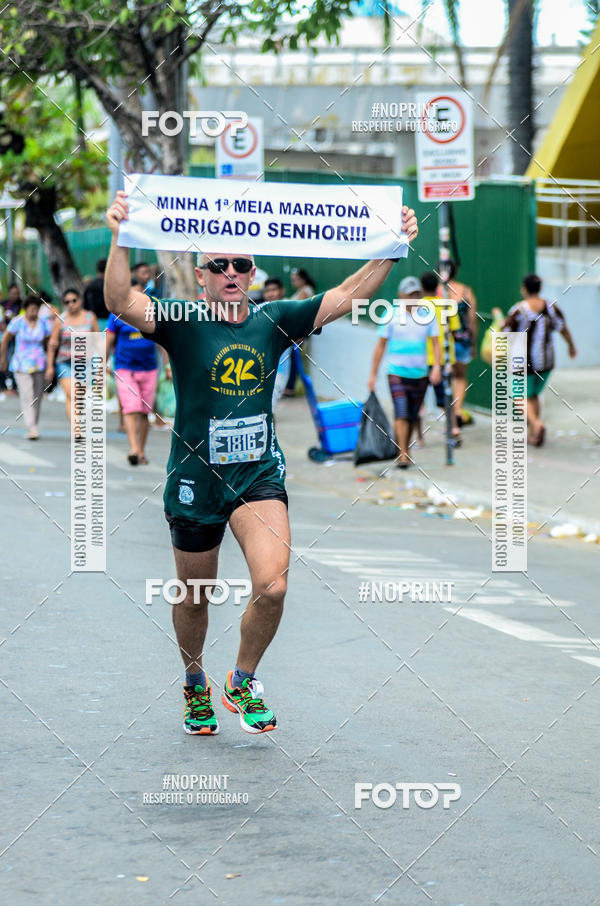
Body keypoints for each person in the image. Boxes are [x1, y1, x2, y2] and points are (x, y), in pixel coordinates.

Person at [104, 189, 418, 736]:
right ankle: (195, 682)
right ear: (200, 276)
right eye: (218, 265)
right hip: (196, 481)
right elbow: (120, 302)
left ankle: (243, 680)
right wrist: (120, 236)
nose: (230, 272)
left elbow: (345, 295)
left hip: (257, 477)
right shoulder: (181, 319)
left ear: (251, 273)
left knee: (272, 587)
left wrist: (391, 249)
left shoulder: (274, 320)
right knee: (196, 597)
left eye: (241, 264)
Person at [368, 276, 441, 468]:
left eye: (417, 294)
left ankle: (405, 448)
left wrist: (437, 368)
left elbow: (436, 343)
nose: (413, 299)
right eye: (410, 295)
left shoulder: (428, 315)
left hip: (420, 374)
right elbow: (380, 346)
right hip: (396, 372)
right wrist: (373, 374)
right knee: (401, 411)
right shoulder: (390, 315)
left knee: (412, 414)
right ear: (401, 296)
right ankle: (402, 453)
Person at [502, 274, 576, 446]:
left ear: (524, 289)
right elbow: (563, 328)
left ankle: (536, 423)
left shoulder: (517, 310)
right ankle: (533, 434)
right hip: (546, 361)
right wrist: (571, 346)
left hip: (523, 361)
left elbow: (505, 333)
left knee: (518, 394)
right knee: (534, 395)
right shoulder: (551, 307)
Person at [106, 292, 161, 466]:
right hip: (125, 368)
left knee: (145, 411)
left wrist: (168, 366)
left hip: (149, 369)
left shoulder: (153, 312)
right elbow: (108, 340)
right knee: (131, 407)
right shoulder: (117, 315)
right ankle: (134, 449)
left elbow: (163, 342)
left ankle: (141, 451)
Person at [45, 288, 99, 433]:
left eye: (74, 300)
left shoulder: (90, 317)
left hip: (85, 363)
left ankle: (77, 423)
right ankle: (77, 430)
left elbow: (97, 340)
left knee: (78, 397)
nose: (71, 304)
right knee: (73, 394)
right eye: (67, 302)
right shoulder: (60, 320)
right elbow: (52, 344)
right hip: (65, 362)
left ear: (80, 301)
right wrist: (50, 366)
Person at [0, 294, 52, 439]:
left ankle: (34, 423)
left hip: (39, 363)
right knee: (27, 394)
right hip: (21, 363)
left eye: (36, 309)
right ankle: (32, 427)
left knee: (37, 396)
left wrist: (50, 365)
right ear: (26, 309)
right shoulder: (17, 322)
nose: (33, 312)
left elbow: (49, 344)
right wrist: (3, 359)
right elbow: (5, 340)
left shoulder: (44, 324)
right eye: (31, 309)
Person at [422, 271, 462, 443]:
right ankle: (454, 428)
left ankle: (418, 437)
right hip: (446, 357)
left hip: (425, 357)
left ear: (422, 288)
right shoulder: (447, 304)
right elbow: (454, 329)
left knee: (418, 398)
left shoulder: (418, 306)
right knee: (446, 395)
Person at [438, 260, 477, 426]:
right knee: (460, 376)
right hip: (463, 340)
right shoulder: (467, 292)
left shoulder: (437, 292)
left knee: (443, 379)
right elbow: (472, 319)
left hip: (441, 341)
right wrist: (473, 342)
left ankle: (451, 416)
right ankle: (458, 409)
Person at [283, 267, 317, 396]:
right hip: (300, 329)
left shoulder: (305, 291)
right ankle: (291, 386)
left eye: (295, 280)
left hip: (301, 329)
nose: (293, 283)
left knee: (294, 357)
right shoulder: (303, 290)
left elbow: (297, 307)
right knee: (294, 357)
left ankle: (290, 387)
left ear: (303, 279)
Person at [261, 277, 294, 409]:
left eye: (274, 290)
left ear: (282, 291)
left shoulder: (290, 309)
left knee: (270, 407)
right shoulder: (259, 310)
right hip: (260, 368)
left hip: (280, 368)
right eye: (267, 290)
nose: (270, 294)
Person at [83, 258, 110, 327]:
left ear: (97, 269)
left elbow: (85, 305)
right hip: (110, 321)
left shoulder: (90, 286)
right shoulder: (111, 286)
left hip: (94, 321)